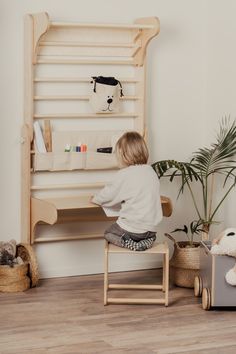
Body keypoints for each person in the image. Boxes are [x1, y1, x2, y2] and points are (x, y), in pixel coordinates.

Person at [92, 131, 163, 251]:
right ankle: (147, 241)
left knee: (108, 233)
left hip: (131, 229)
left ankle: (130, 244)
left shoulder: (125, 174)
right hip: (151, 230)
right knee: (141, 232)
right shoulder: (151, 171)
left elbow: (109, 194)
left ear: (124, 155)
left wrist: (95, 199)